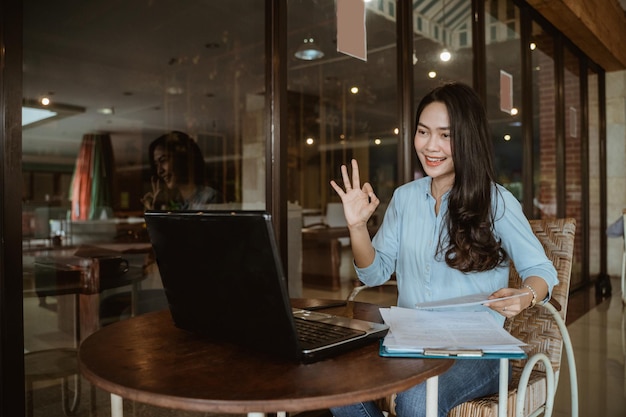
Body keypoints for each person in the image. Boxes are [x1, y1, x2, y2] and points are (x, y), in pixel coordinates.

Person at [329, 82, 558, 417]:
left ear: (467, 138)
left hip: (480, 353)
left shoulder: (496, 201)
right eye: (423, 132)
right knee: (337, 381)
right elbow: (373, 272)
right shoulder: (405, 198)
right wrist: (357, 227)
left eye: (445, 135)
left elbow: (542, 271)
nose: (430, 146)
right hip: (409, 342)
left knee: (417, 400)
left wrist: (525, 295)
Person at [141, 131, 222, 210]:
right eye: (156, 165)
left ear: (182, 159)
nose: (159, 171)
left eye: (163, 160)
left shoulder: (209, 198)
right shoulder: (175, 202)